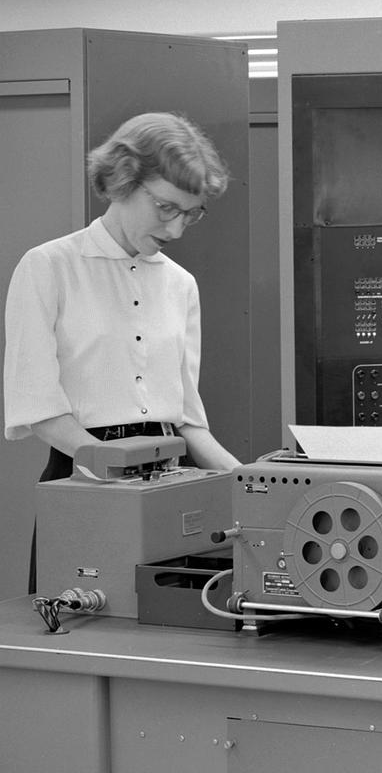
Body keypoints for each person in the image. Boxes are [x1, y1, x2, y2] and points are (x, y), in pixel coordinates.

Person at [4, 111, 241, 591]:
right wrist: (114, 467)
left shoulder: (180, 284)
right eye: (166, 208)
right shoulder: (49, 267)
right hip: (82, 475)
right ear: (122, 180)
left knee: (181, 630)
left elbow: (188, 420)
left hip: (174, 479)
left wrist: (254, 481)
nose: (176, 230)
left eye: (191, 213)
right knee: (77, 621)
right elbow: (37, 404)